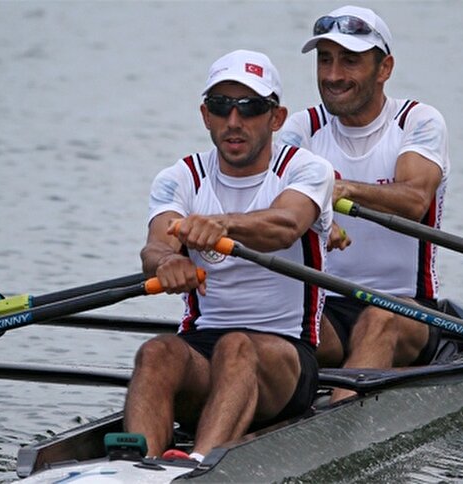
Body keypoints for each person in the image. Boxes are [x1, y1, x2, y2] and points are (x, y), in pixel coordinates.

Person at [124, 49, 335, 461]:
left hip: (286, 356)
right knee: (157, 351)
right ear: (206, 115)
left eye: (250, 107)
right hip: (202, 349)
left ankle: (202, 464)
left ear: (276, 117)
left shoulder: (306, 170)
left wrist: (224, 225)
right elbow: (155, 244)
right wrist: (167, 263)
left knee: (237, 347)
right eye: (221, 107)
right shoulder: (180, 177)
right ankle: (142, 466)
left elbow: (286, 225)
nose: (234, 122)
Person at [280, 5, 450, 402]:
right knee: (266, 321)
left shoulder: (417, 122)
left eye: (350, 61)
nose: (333, 75)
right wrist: (319, 215)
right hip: (326, 306)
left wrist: (339, 190)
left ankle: (338, 433)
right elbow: (273, 200)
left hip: (408, 310)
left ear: (384, 68)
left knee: (379, 319)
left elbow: (413, 199)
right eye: (325, 60)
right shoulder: (302, 129)